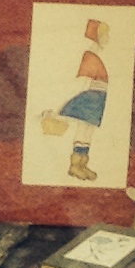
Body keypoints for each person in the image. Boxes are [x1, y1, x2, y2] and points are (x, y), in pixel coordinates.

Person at [40, 17, 110, 183]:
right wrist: (63, 103)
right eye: (105, 35)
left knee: (88, 132)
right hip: (89, 99)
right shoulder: (90, 55)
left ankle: (82, 165)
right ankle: (75, 166)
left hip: (97, 100)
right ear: (97, 36)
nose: (107, 39)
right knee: (83, 130)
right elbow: (83, 81)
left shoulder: (95, 55)